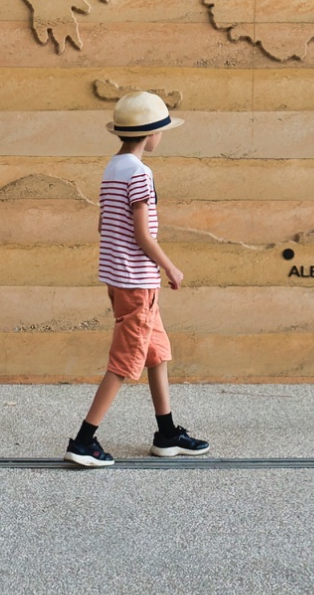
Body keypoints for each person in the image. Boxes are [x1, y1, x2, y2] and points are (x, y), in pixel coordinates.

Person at [67, 90, 210, 467]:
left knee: (155, 353)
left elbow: (104, 224)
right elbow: (143, 235)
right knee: (123, 361)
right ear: (151, 134)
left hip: (118, 279)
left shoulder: (112, 168)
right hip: (138, 282)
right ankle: (83, 441)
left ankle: (167, 434)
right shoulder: (141, 173)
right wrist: (170, 266)